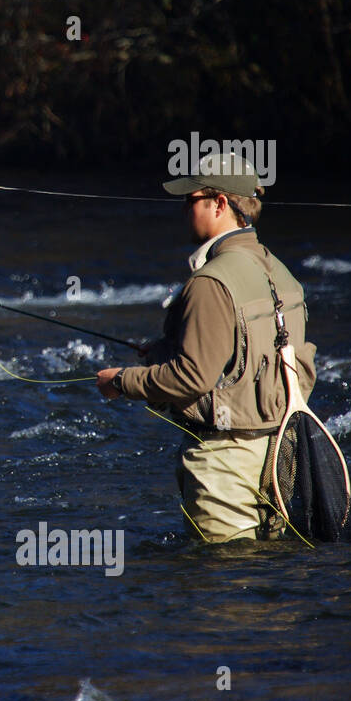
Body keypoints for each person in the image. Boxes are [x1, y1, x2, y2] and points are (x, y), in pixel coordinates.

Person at [95, 153, 316, 542]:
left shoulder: (210, 282)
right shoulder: (282, 273)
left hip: (226, 464)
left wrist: (123, 381)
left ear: (221, 203)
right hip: (282, 455)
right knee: (267, 583)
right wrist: (167, 349)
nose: (184, 210)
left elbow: (191, 377)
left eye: (190, 199)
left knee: (220, 585)